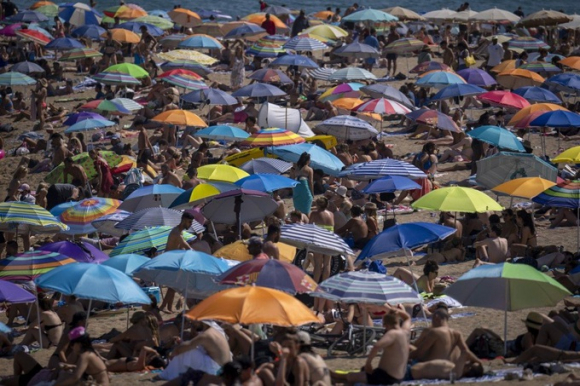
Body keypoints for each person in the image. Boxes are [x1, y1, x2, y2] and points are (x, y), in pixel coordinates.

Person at [332, 311, 410, 385]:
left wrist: (368, 364)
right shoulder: (405, 332)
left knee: (351, 377)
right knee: (363, 372)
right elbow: (407, 318)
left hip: (387, 377)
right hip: (398, 376)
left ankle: (335, 376)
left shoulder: (393, 333)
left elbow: (376, 346)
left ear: (387, 325)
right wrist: (397, 311)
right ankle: (339, 377)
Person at [160, 320, 232, 381]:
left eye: (195, 322)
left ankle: (168, 376)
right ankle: (172, 374)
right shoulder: (216, 330)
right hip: (223, 368)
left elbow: (185, 347)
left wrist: (175, 352)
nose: (193, 324)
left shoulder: (206, 335)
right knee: (188, 350)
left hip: (215, 371)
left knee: (186, 352)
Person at [160, 212, 194, 312]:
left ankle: (169, 307)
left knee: (173, 286)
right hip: (169, 260)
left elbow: (181, 247)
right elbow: (185, 245)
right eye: (189, 222)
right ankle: (162, 307)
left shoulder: (180, 231)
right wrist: (194, 253)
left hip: (173, 261)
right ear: (183, 220)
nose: (190, 224)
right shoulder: (176, 232)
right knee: (172, 286)